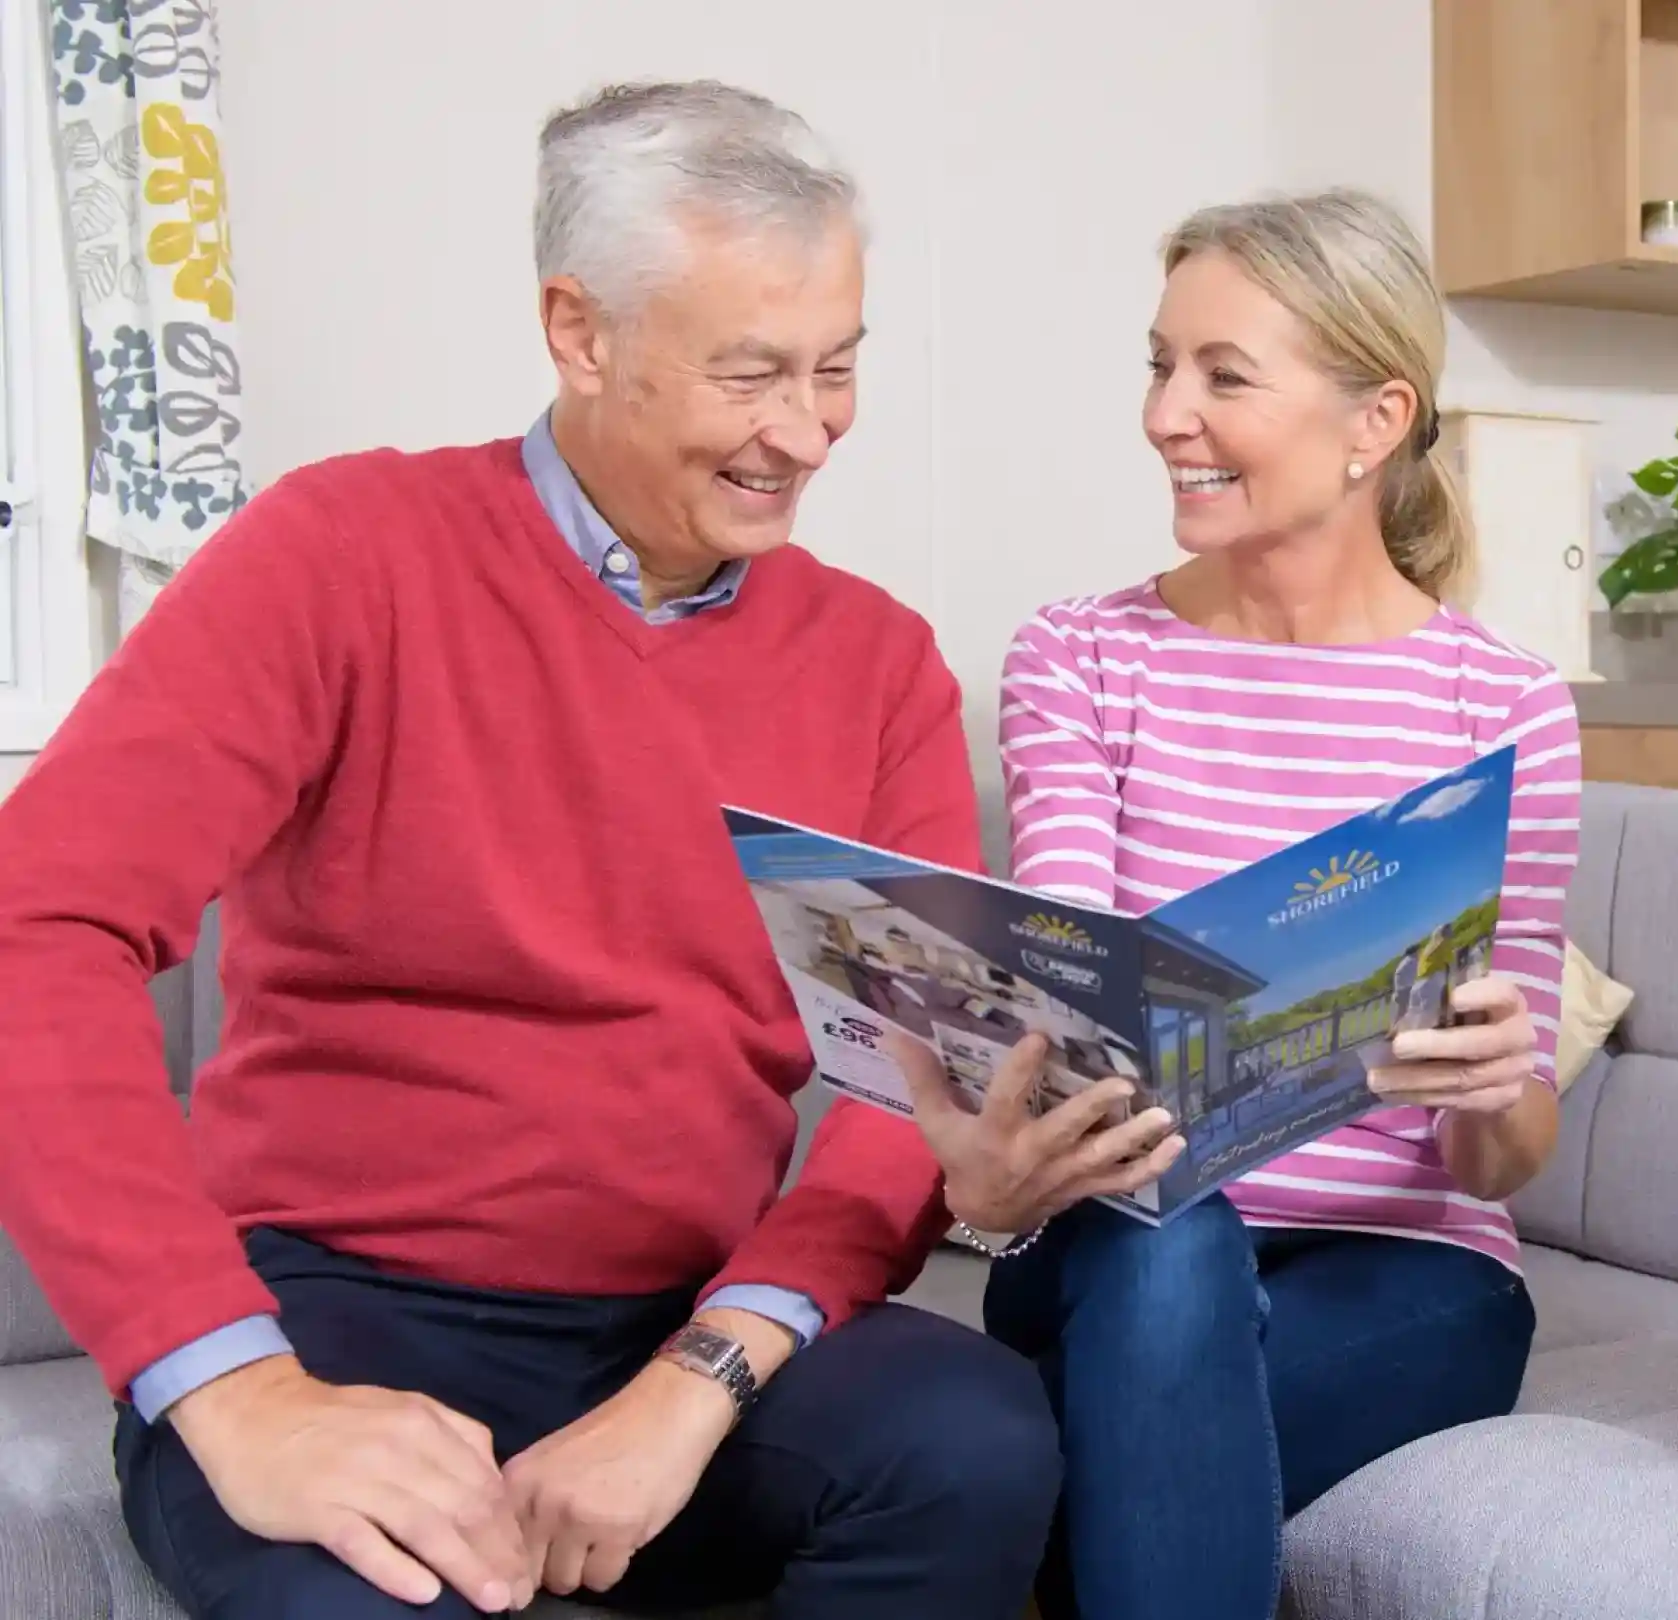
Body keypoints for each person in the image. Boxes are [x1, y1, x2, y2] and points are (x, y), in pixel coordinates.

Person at [0, 80, 1175, 1620]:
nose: (806, 431)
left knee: (971, 1444)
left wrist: (694, 1385)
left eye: (837, 367)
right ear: (581, 331)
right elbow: (40, 926)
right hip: (340, 1311)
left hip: (689, 1325)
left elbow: (912, 1085)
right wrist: (239, 1396)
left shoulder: (878, 664)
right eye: (752, 372)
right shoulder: (339, 555)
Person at [975, 187, 1584, 1620]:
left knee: (1099, 1461)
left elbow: (1501, 1163)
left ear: (1375, 421)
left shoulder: (1501, 707)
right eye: (1159, 364)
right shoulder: (1080, 661)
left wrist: (1497, 1081)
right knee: (1167, 1243)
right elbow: (1072, 1002)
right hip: (1111, 1239)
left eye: (1222, 376)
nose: (1165, 415)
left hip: (1407, 1271)